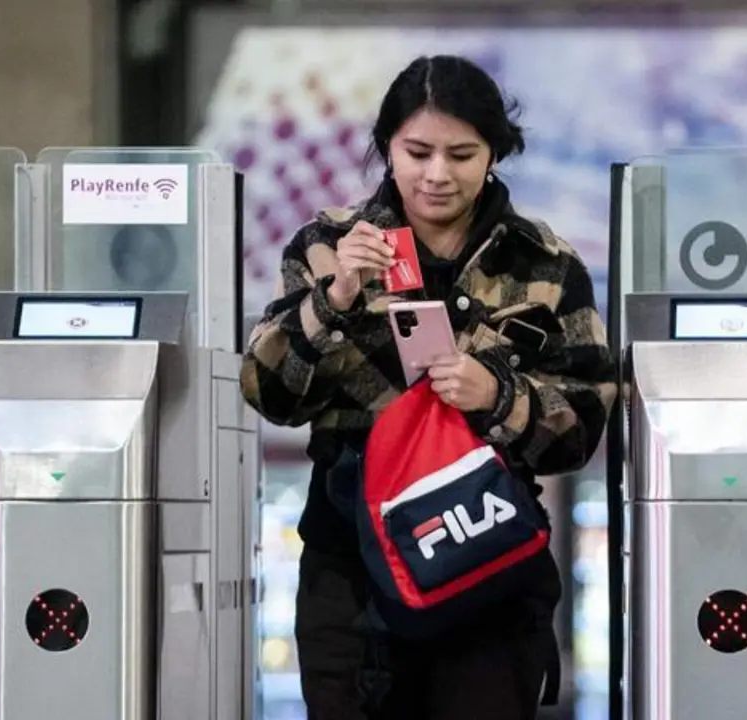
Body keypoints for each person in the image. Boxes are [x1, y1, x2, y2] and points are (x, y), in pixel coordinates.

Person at [240, 55, 617, 719]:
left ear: (493, 154)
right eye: (417, 152)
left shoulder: (546, 263)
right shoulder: (328, 245)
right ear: (387, 146)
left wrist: (499, 397)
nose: (436, 174)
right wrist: (337, 297)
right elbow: (268, 391)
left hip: (484, 558)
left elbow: (585, 420)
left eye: (461, 154)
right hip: (351, 564)